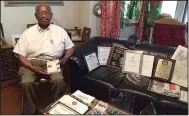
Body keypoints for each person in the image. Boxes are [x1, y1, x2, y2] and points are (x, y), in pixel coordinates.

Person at [13, 3, 74, 115]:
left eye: (46, 12)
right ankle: (30, 112)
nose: (44, 15)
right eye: (40, 13)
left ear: (51, 15)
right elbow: (21, 55)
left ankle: (57, 109)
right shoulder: (27, 33)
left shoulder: (60, 31)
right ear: (36, 16)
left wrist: (65, 58)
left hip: (52, 62)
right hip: (30, 62)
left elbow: (70, 47)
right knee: (27, 82)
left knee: (58, 80)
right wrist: (32, 67)